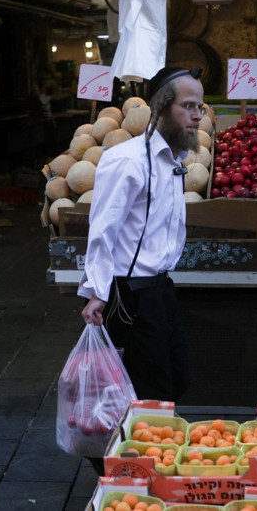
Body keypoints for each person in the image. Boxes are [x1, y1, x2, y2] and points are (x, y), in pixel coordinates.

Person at [79, 66, 202, 405]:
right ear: (162, 106)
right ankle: (127, 457)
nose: (197, 116)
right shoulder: (128, 160)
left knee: (177, 381)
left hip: (159, 290)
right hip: (128, 296)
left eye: (200, 108)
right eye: (188, 106)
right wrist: (96, 293)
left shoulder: (174, 160)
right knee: (147, 393)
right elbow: (103, 228)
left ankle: (146, 450)